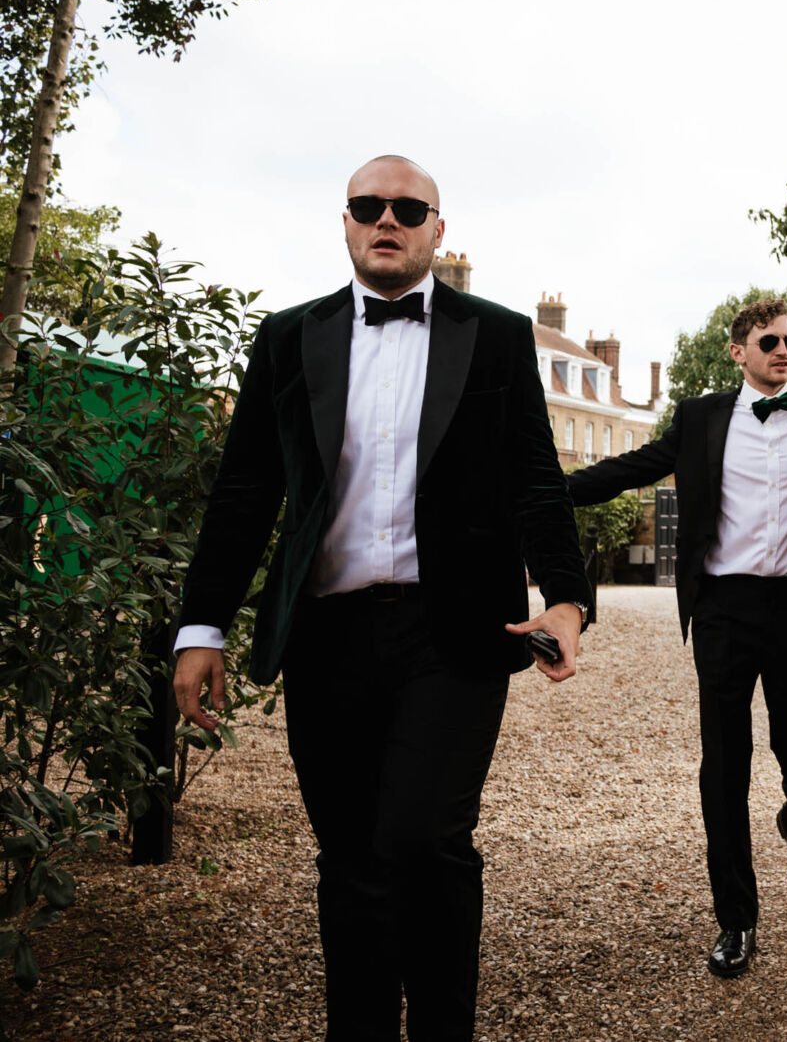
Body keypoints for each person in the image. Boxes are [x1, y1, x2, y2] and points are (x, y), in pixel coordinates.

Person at [172, 155, 590, 1041]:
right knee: (351, 858)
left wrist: (566, 598)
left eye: (408, 207)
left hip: (457, 633)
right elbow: (246, 489)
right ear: (348, 223)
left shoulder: (498, 335)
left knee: (422, 843)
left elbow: (535, 480)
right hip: (326, 633)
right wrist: (201, 624)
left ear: (439, 230)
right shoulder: (290, 338)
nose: (386, 218)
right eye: (369, 205)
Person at [566, 297, 787, 978]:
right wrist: (547, 489)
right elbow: (632, 469)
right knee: (725, 764)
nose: (784, 350)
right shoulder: (700, 418)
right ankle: (736, 919)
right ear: (737, 350)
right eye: (769, 339)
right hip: (724, 607)